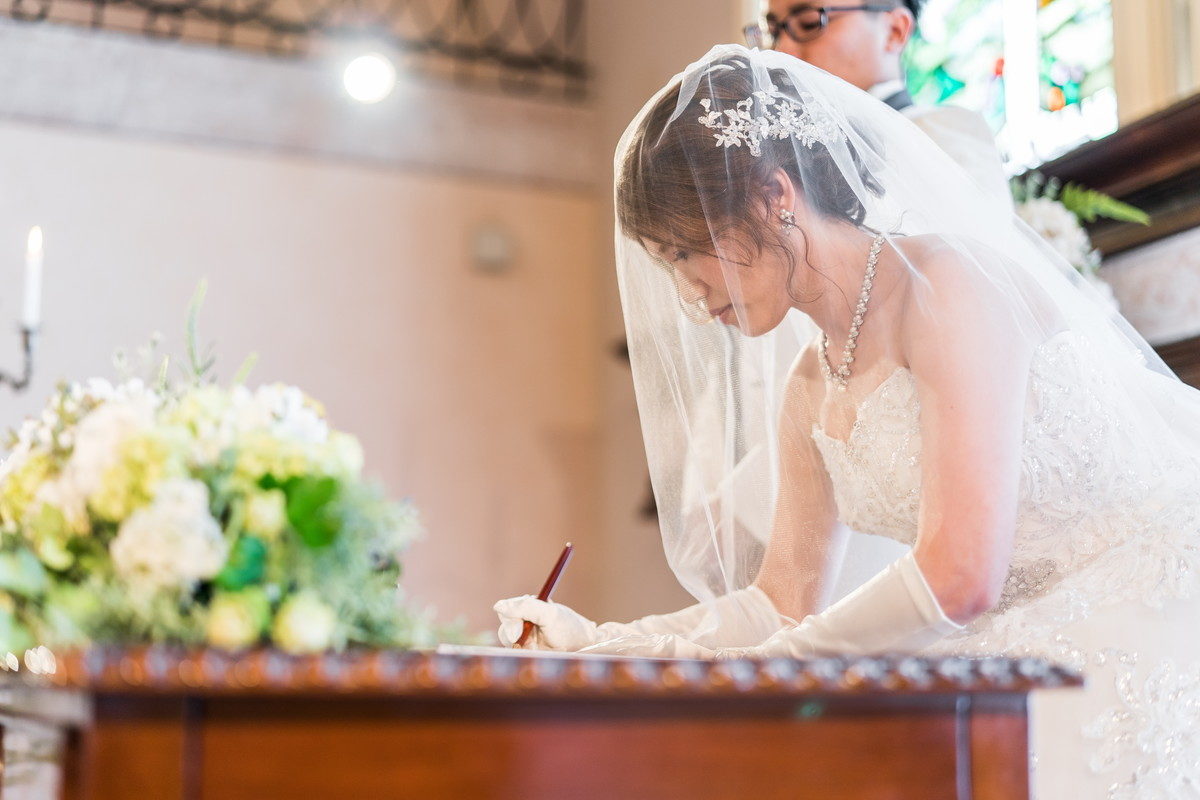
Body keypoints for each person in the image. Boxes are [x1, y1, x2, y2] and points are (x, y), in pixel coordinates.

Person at [495, 45, 1200, 796]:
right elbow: (781, 603)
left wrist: (769, 669)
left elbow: (961, 576)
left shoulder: (946, 289)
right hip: (1020, 642)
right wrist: (605, 647)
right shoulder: (809, 385)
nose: (688, 294)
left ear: (775, 195)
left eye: (685, 251)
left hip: (1152, 605)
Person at [754, 1, 1012, 213]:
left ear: (895, 30)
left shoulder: (944, 133)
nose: (783, 49)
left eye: (809, 22)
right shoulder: (777, 158)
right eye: (775, 31)